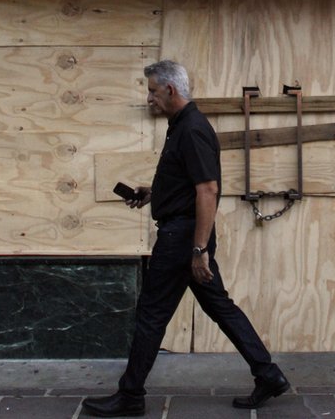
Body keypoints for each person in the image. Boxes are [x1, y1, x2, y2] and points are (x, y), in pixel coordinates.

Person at [82, 60, 289, 417]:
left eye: (151, 91)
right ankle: (268, 374)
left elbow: (208, 188)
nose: (149, 99)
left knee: (151, 314)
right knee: (219, 306)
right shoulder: (180, 127)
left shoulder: (191, 129)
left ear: (170, 90)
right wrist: (155, 192)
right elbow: (188, 182)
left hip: (182, 239)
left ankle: (130, 396)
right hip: (185, 233)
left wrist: (198, 250)